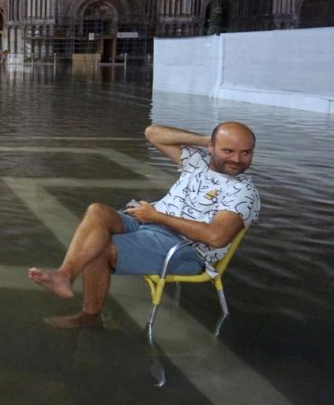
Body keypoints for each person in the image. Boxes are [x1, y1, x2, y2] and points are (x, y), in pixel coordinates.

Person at [28, 122, 259, 329]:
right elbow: (153, 133)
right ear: (212, 147)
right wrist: (204, 140)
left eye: (245, 152)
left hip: (183, 249)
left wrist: (157, 217)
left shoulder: (242, 192)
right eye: (228, 150)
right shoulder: (199, 162)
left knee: (100, 248)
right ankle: (65, 275)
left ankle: (89, 316)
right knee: (97, 212)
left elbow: (216, 237)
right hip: (150, 221)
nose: (237, 159)